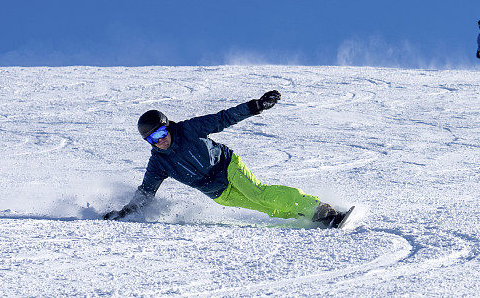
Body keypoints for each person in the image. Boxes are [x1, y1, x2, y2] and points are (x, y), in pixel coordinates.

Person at [102, 90, 348, 228]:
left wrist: (256, 106)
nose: (159, 140)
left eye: (161, 132)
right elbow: (146, 192)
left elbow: (223, 118)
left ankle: (320, 208)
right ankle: (310, 218)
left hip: (227, 166)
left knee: (259, 193)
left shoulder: (188, 130)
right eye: (152, 139)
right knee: (266, 207)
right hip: (218, 193)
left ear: (167, 126)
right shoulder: (158, 163)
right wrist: (124, 213)